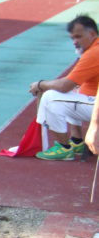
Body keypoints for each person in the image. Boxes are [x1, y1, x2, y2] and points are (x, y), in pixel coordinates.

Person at [28, 15, 99, 160]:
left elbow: (64, 85)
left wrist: (40, 84)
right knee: (73, 93)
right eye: (72, 38)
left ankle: (63, 147)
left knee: (51, 97)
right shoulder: (94, 49)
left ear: (92, 34)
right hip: (92, 101)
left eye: (78, 37)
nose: (75, 42)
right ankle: (77, 141)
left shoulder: (94, 53)